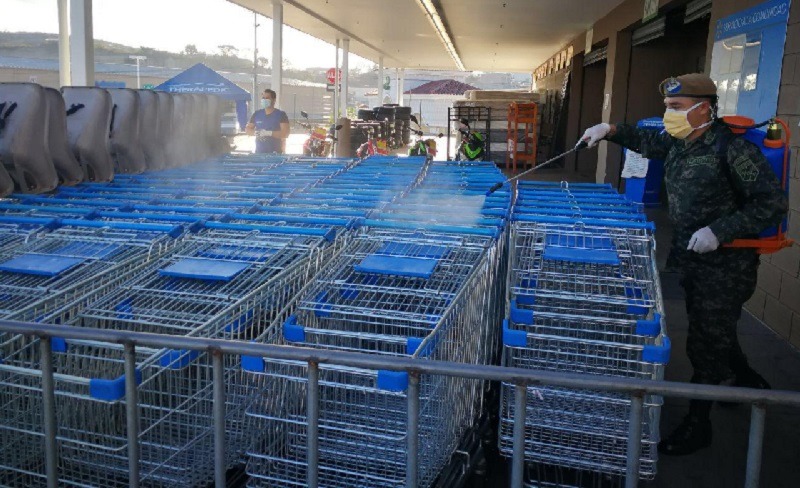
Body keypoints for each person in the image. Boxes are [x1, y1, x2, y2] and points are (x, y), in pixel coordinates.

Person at [579, 73, 788, 456]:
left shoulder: (733, 150)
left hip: (725, 264)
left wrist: (720, 230)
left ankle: (698, 423)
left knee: (706, 339)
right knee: (714, 329)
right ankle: (745, 380)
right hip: (691, 257)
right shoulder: (680, 142)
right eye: (666, 108)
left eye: (675, 108)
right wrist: (607, 129)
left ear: (703, 108)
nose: (667, 115)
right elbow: (648, 140)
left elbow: (770, 204)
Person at [245, 89, 290, 154]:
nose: (264, 100)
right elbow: (248, 129)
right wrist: (257, 133)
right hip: (259, 153)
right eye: (263, 98)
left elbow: (285, 133)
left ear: (274, 100)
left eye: (267, 98)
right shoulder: (257, 114)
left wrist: (269, 133)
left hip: (275, 153)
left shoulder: (281, 114)